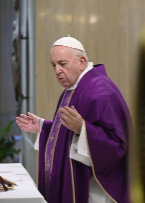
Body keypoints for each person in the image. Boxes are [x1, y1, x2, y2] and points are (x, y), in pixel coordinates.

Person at [16, 36, 131, 203]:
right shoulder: (73, 88)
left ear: (82, 62)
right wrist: (44, 126)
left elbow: (117, 146)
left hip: (93, 190)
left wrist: (83, 130)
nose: (57, 71)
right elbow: (68, 131)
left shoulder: (101, 92)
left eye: (62, 64)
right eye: (54, 65)